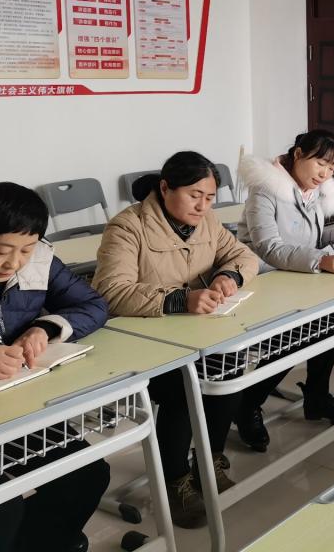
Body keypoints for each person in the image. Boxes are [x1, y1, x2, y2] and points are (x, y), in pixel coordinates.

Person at [93, 152, 258, 529]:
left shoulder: (207, 221)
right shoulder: (128, 226)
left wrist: (229, 276)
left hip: (198, 334)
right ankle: (174, 480)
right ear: (165, 188)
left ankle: (209, 461)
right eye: (194, 195)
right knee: (183, 389)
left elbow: (243, 256)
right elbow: (110, 291)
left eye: (210, 197)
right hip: (145, 339)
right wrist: (180, 299)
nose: (203, 206)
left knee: (230, 373)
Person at [0, 183, 110, 552]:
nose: (14, 263)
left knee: (85, 474)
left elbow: (94, 306)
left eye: (26, 249)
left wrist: (45, 328)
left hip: (11, 407)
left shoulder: (39, 261)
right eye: (1, 251)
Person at [233, 130, 334, 453]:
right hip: (264, 279)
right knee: (293, 337)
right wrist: (320, 260)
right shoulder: (265, 189)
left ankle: (317, 398)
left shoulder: (312, 190)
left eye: (331, 168)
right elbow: (269, 247)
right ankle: (247, 405)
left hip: (297, 277)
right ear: (298, 154)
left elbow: (310, 234)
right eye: (320, 163)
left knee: (330, 320)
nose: (325, 174)